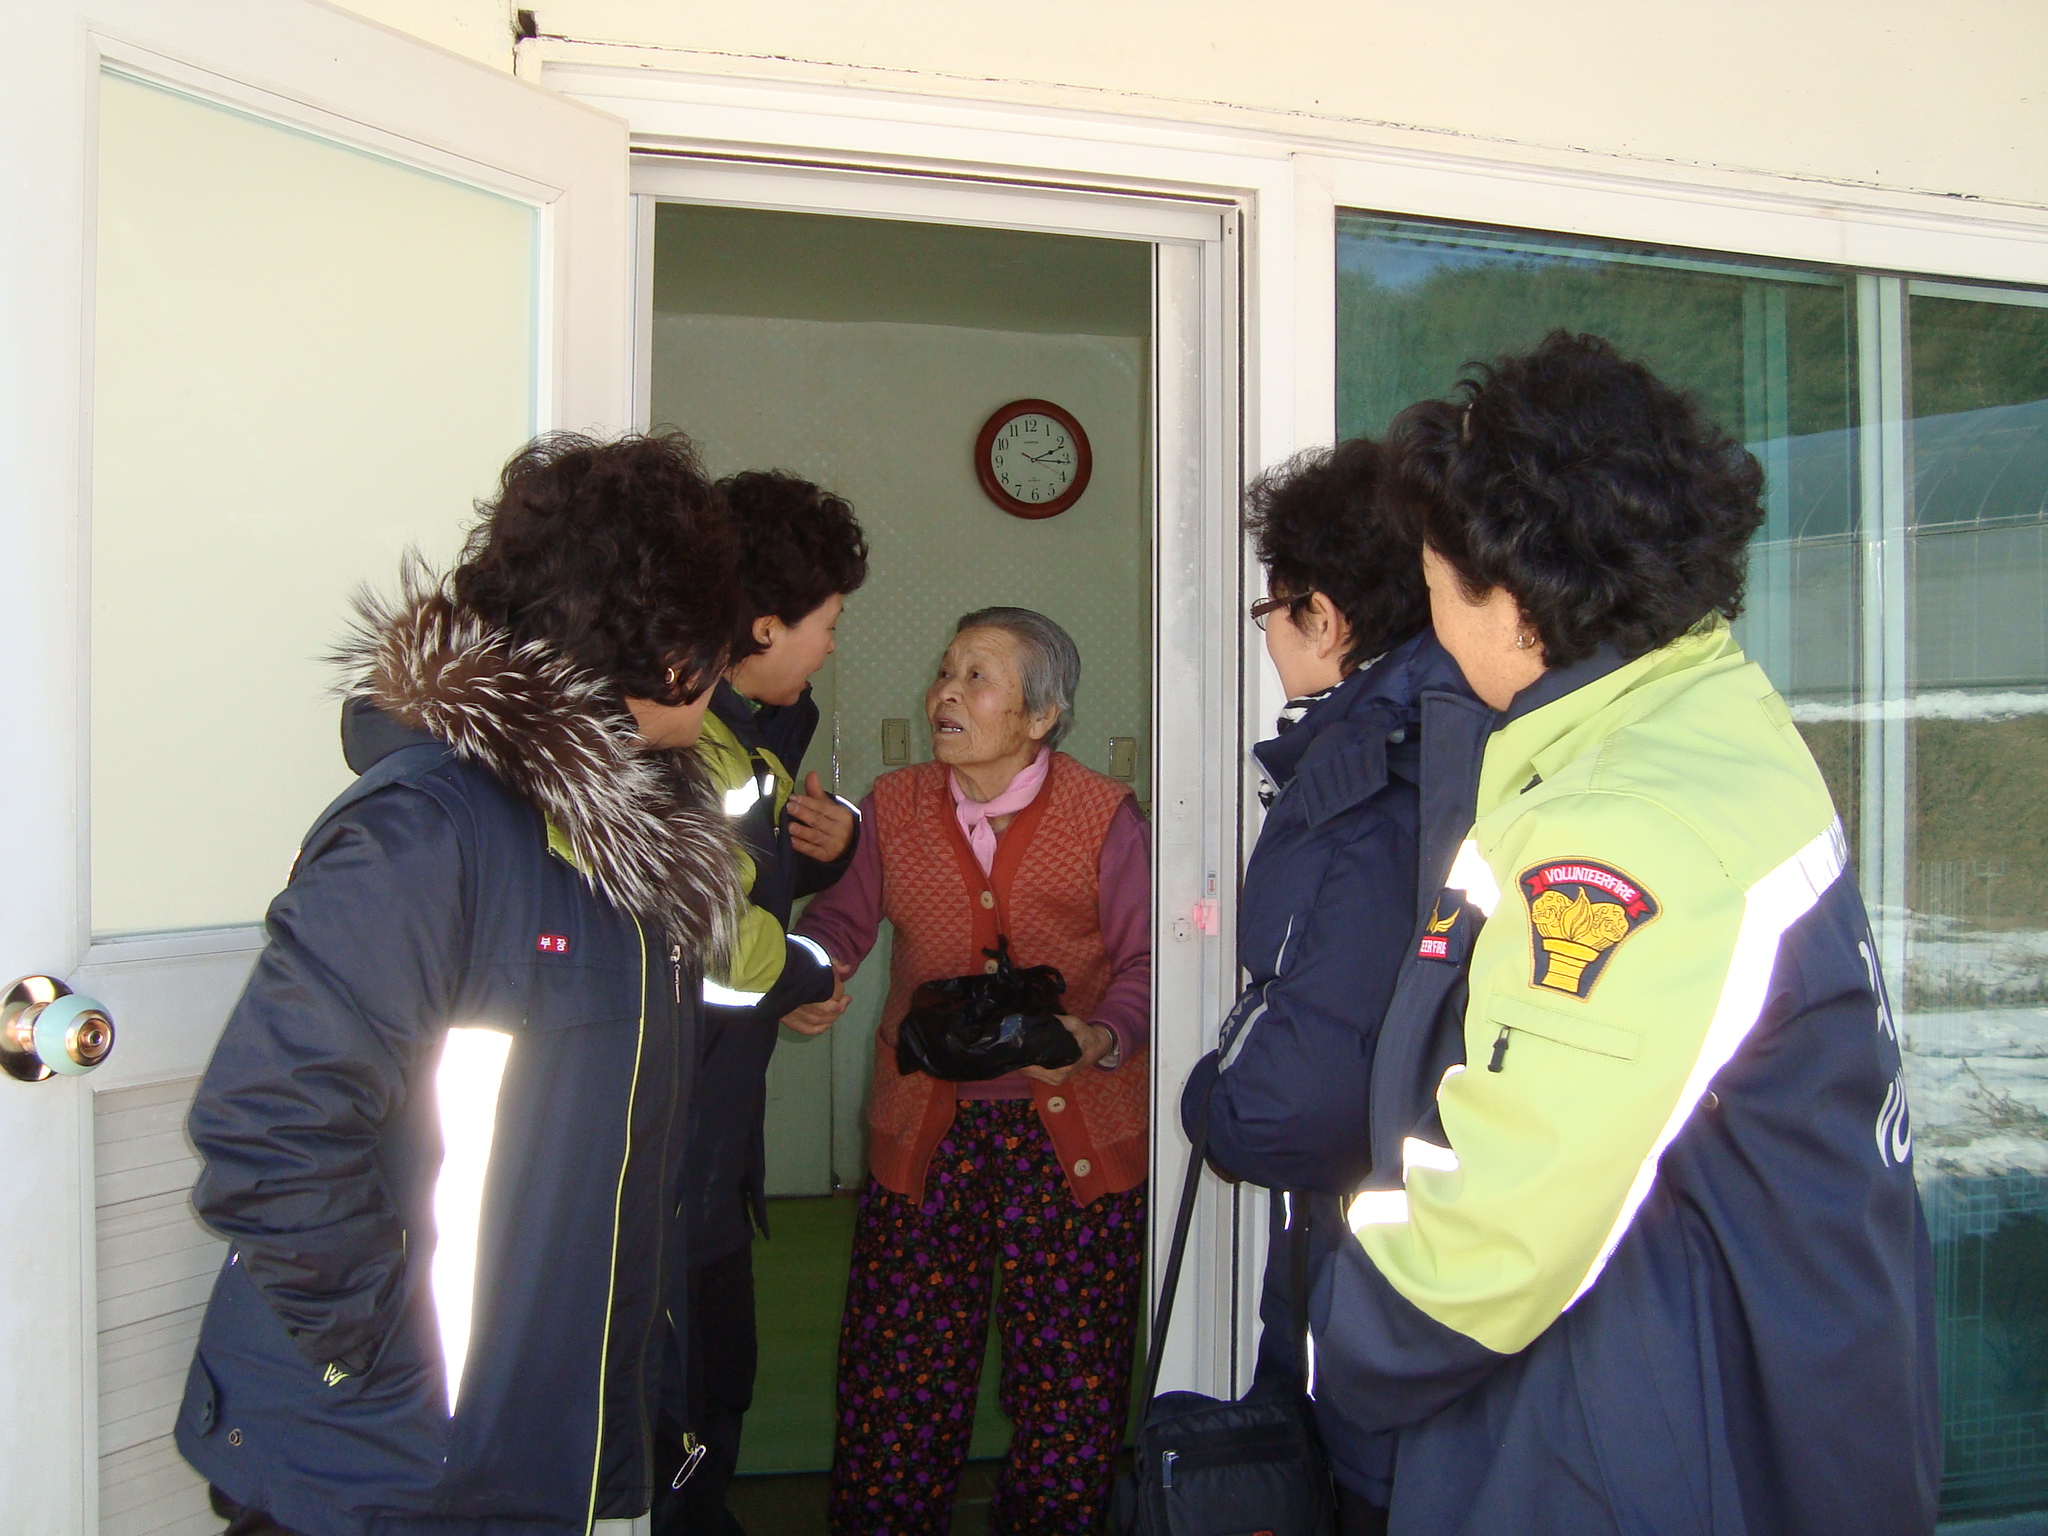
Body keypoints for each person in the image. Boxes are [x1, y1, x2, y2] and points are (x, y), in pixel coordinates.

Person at [1306, 333, 1939, 1534]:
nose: (1430, 622)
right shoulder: (1704, 717)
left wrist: (1338, 1346)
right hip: (1747, 1376)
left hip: (1647, 1441)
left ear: (1513, 598)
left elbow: (1502, 1231)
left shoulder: (1620, 824)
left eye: (1435, 585)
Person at [176, 433, 745, 1536]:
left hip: (536, 1443)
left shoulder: (626, 841)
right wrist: (390, 1370)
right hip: (396, 1463)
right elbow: (270, 1130)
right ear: (677, 656)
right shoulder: (427, 829)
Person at [791, 607, 1151, 1536]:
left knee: (1069, 1388)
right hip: (925, 1130)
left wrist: (1099, 1036)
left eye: (977, 677)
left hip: (1074, 1135)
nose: (945, 694)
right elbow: (840, 925)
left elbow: (1149, 961)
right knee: (897, 1382)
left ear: (1041, 715)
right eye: (945, 673)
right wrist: (809, 979)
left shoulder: (1104, 817)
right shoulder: (894, 806)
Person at [1173, 439, 1470, 1525]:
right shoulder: (1459, 737)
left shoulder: (1363, 778)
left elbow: (1286, 1109)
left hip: (1378, 1273)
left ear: (1326, 616)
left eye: (1271, 608)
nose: (1265, 634)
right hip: (1447, 1260)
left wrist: (1207, 1098)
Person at [655, 470, 869, 1534]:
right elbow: (706, 938)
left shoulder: (749, 732)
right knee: (685, 1397)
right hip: (673, 1138)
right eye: (826, 624)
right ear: (767, 624)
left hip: (711, 1125)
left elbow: (757, 875)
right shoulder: (687, 744)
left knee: (715, 1382)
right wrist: (805, 973)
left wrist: (839, 846)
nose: (829, 646)